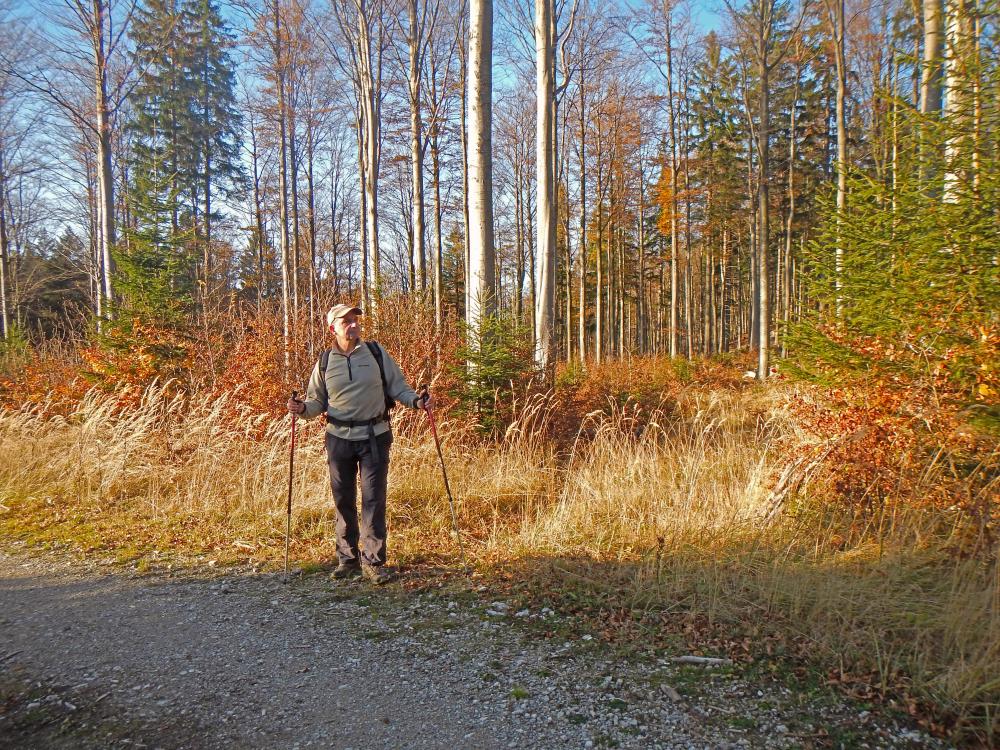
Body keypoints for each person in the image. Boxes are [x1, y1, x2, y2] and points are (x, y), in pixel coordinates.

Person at [286, 304, 430, 584]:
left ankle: (374, 562)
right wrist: (301, 408)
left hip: (374, 436)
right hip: (338, 439)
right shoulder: (326, 361)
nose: (353, 325)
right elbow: (316, 401)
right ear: (333, 328)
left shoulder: (375, 353)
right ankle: (347, 560)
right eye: (346, 321)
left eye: (355, 320)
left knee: (374, 499)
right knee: (343, 500)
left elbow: (398, 386)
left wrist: (417, 401)